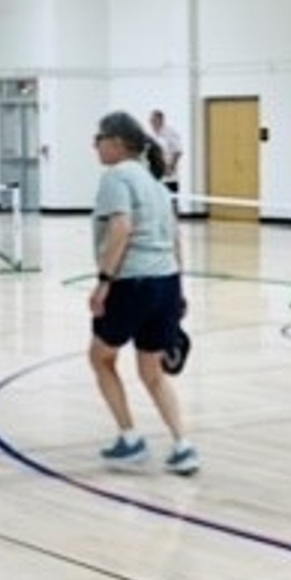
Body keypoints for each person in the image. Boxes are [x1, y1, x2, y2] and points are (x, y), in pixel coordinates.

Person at [89, 110, 198, 475]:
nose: (95, 146)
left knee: (101, 358)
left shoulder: (116, 177)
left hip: (131, 283)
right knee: (152, 371)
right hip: (165, 282)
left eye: (99, 139)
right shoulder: (155, 182)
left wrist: (105, 282)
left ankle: (130, 438)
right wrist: (178, 291)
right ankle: (183, 445)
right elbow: (175, 236)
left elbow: (121, 228)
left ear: (117, 142)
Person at [148, 109, 184, 194]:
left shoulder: (170, 132)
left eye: (154, 120)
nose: (152, 123)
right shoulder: (152, 135)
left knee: (171, 200)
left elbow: (177, 151)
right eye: (151, 121)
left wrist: (170, 167)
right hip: (156, 174)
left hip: (169, 176)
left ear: (161, 120)